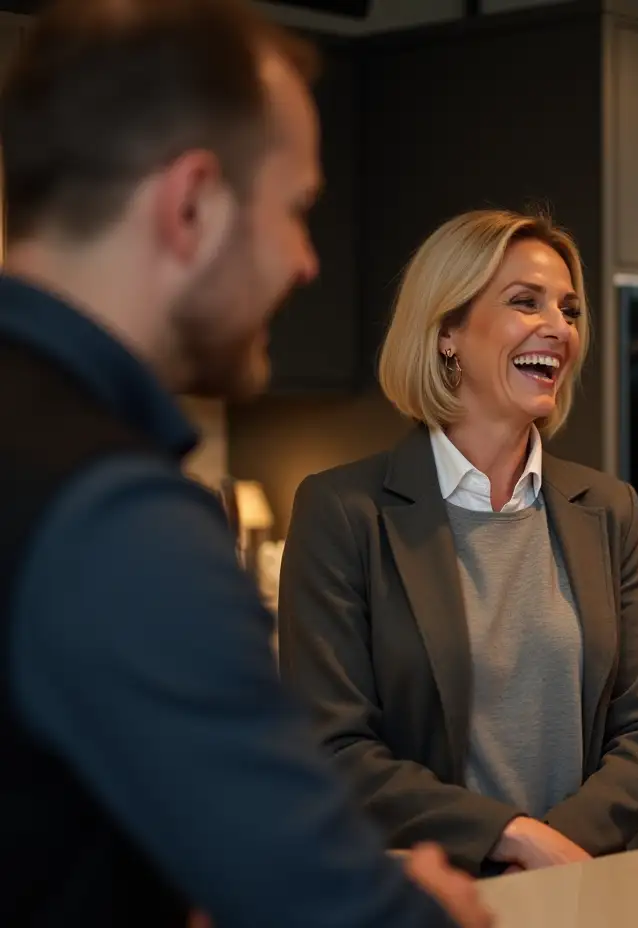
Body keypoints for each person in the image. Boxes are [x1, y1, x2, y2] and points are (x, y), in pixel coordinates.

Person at [0, 1, 490, 926]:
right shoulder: (115, 514)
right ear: (190, 206)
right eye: (297, 209)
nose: (308, 263)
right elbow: (322, 901)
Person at [278, 208, 638, 876]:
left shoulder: (608, 510)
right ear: (447, 334)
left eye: (570, 310)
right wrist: (511, 836)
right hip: (423, 898)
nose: (558, 328)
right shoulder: (343, 511)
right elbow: (333, 745)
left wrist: (559, 848)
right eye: (525, 303)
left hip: (580, 884)